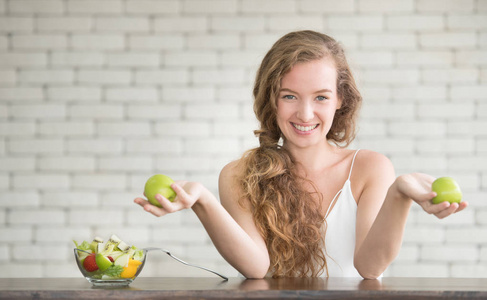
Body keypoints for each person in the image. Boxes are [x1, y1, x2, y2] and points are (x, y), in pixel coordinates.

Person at [134, 30, 468, 279]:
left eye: (321, 97)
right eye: (290, 96)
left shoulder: (370, 168)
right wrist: (203, 201)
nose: (305, 114)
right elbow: (256, 267)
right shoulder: (239, 175)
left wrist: (399, 194)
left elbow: (369, 267)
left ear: (341, 99)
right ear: (271, 99)